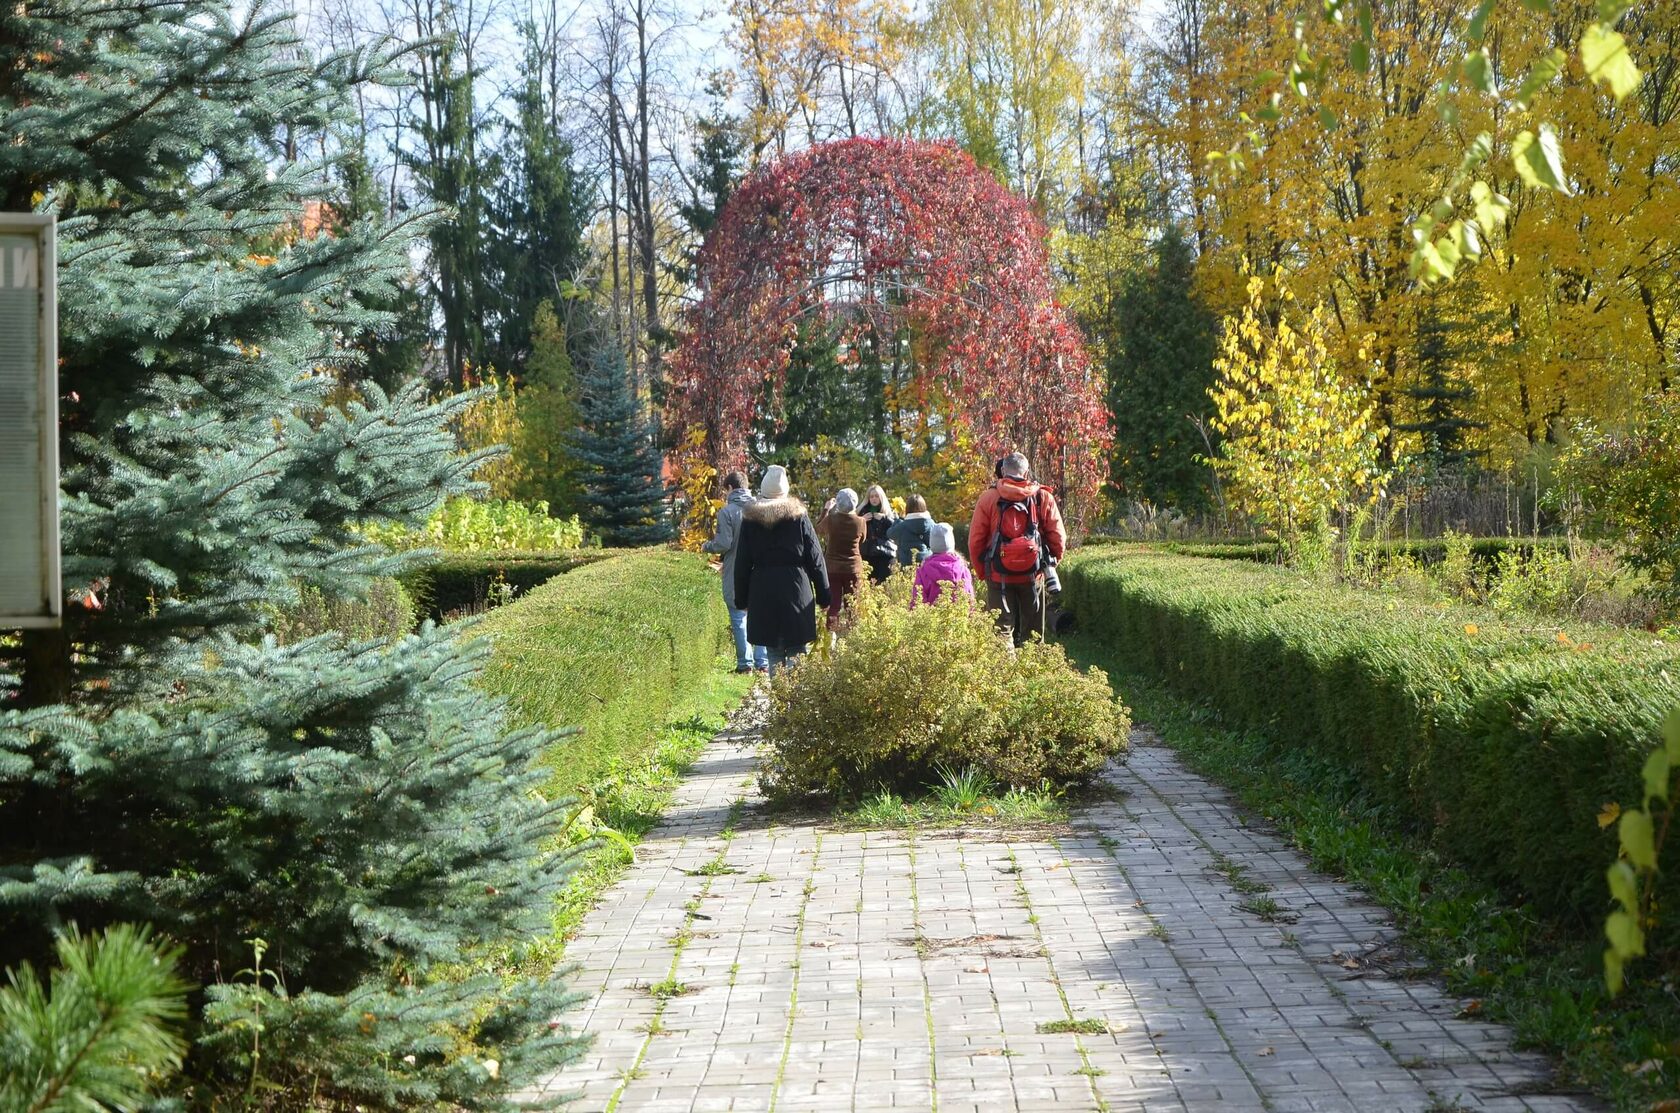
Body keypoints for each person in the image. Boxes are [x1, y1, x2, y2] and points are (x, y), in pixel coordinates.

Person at [734, 466, 831, 677]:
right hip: (796, 588)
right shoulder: (798, 517)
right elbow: (815, 558)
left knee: (773, 651)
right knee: (797, 650)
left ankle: (779, 699)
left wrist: (741, 600)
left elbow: (741, 563)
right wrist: (824, 596)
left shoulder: (750, 520)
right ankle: (794, 703)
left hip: (763, 589)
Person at [968, 452, 1066, 646]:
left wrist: (983, 572)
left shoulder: (989, 497)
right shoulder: (1042, 496)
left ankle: (1007, 671)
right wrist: (1049, 565)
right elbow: (1058, 537)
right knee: (1033, 631)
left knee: (1002, 630)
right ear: (1026, 472)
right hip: (1032, 574)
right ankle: (1032, 671)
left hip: (998, 576)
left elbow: (975, 541)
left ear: (1003, 471)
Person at [700, 470, 767, 674]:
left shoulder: (727, 512)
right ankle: (762, 661)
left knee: (739, 616)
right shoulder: (762, 509)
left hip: (736, 568)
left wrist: (707, 546)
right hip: (761, 569)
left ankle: (744, 664)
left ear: (729, 488)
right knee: (760, 613)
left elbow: (724, 543)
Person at [816, 487, 867, 632]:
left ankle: (831, 636)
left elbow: (818, 529)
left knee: (834, 606)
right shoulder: (861, 522)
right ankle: (853, 636)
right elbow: (862, 539)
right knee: (852, 605)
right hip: (853, 569)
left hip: (832, 568)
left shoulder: (831, 519)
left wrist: (826, 510)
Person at [911, 522, 975, 607]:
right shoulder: (962, 568)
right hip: (959, 617)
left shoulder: (923, 571)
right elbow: (969, 597)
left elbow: (917, 601)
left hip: (931, 618)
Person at [858, 484, 898, 583]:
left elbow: (897, 529)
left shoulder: (889, 513)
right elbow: (853, 529)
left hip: (885, 553)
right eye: (871, 496)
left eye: (876, 496)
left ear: (881, 497)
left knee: (885, 584)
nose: (874, 499)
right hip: (867, 554)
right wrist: (861, 520)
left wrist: (885, 519)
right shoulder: (862, 512)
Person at [886, 494, 934, 567]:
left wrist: (898, 520)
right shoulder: (931, 523)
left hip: (907, 563)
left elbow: (890, 533)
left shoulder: (903, 525)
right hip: (927, 561)